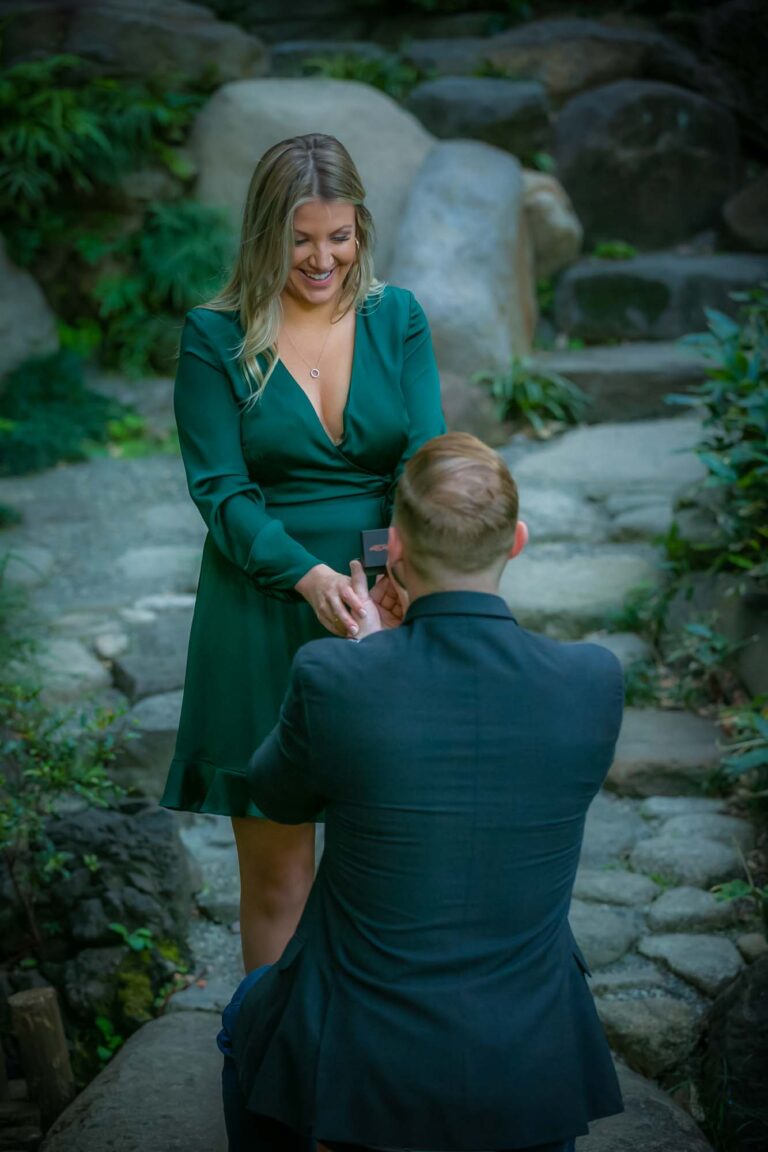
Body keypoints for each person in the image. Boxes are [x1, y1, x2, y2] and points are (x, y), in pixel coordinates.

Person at [219, 432, 625, 1152]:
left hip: (363, 1069)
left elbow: (273, 794)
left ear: (394, 549)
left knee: (250, 1003)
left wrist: (372, 660)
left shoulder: (335, 676)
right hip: (529, 1068)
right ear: (518, 541)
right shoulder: (592, 681)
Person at [159, 133, 446, 969]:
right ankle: (269, 1087)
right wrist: (310, 577)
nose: (322, 258)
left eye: (339, 235)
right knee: (280, 883)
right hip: (259, 610)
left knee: (394, 868)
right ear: (264, 234)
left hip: (388, 610)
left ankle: (379, 1069)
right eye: (300, 238)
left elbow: (420, 462)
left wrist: (397, 581)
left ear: (361, 229)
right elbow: (219, 491)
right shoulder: (214, 335)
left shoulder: (399, 318)